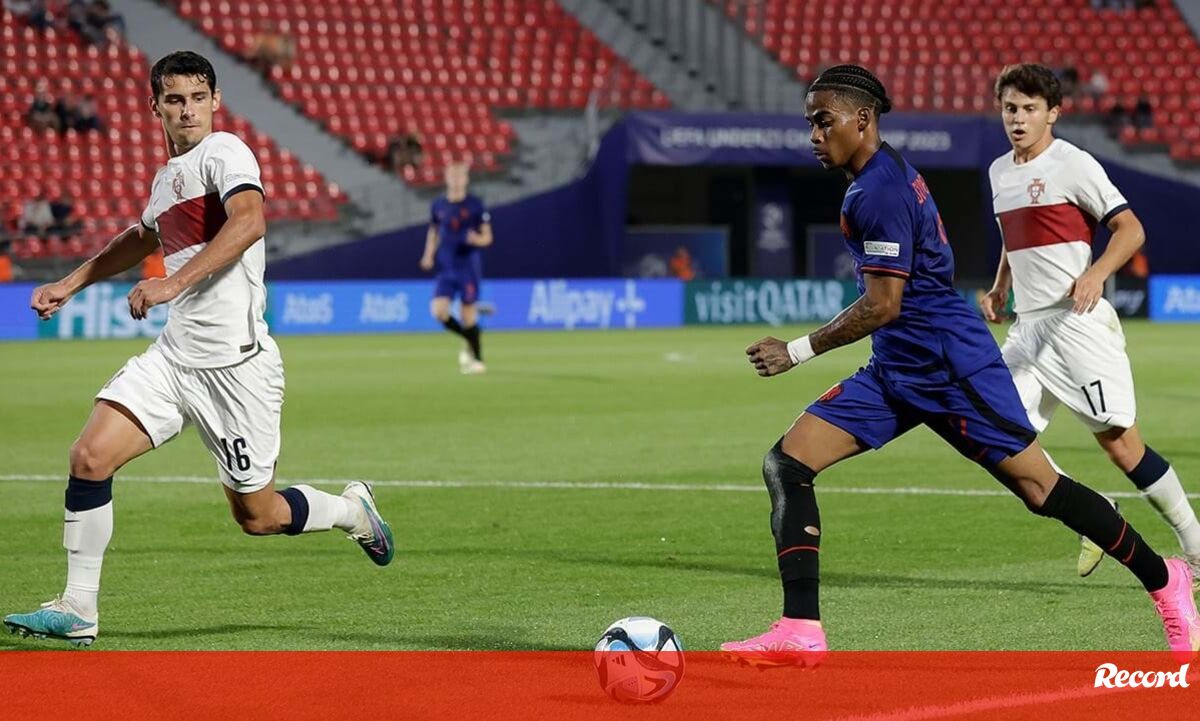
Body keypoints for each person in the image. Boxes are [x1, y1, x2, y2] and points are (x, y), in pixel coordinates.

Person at [720, 65, 1199, 668]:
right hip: (898, 368)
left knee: (1041, 490)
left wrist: (796, 351)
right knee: (788, 462)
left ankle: (1165, 580)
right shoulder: (880, 175)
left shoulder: (878, 193)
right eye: (810, 123)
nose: (814, 135)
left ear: (862, 119)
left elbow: (884, 304)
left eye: (824, 121)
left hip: (950, 370)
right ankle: (800, 629)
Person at [2, 51, 395, 648]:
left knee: (258, 516)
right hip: (174, 359)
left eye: (196, 98)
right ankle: (78, 607)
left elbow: (250, 221)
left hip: (236, 368)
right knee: (89, 457)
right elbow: (141, 238)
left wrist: (171, 283)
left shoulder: (225, 152)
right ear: (155, 106)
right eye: (174, 99)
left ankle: (351, 511)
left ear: (215, 101)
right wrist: (70, 282)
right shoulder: (167, 180)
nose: (187, 110)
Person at [982, 63, 1200, 579]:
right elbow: (1013, 237)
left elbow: (1131, 229)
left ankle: (1195, 546)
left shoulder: (1073, 164)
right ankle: (1097, 510)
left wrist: (1097, 273)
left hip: (1075, 324)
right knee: (990, 432)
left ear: (1053, 114)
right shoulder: (999, 171)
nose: (1018, 119)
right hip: (1028, 330)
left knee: (1122, 446)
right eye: (1010, 108)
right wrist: (1000, 284)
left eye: (1030, 109)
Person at [420, 162, 493, 374]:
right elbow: (433, 232)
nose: (456, 180)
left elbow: (488, 237)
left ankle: (478, 359)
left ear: (466, 179)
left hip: (467, 267)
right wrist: (428, 254)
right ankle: (469, 339)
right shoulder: (438, 205)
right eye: (452, 176)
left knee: (467, 314)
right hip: (446, 268)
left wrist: (477, 239)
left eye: (460, 176)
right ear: (446, 178)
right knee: (438, 311)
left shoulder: (475, 205)